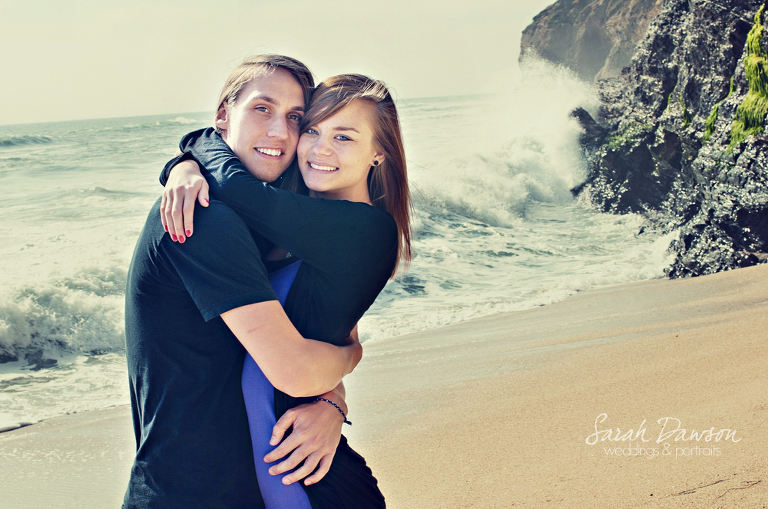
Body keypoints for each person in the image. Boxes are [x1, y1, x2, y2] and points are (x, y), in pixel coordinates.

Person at [159, 71, 412, 509]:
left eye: (344, 137)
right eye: (312, 130)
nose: (321, 148)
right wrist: (183, 165)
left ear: (379, 153)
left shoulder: (366, 229)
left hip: (311, 480)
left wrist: (193, 150)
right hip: (289, 463)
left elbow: (234, 187)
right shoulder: (298, 220)